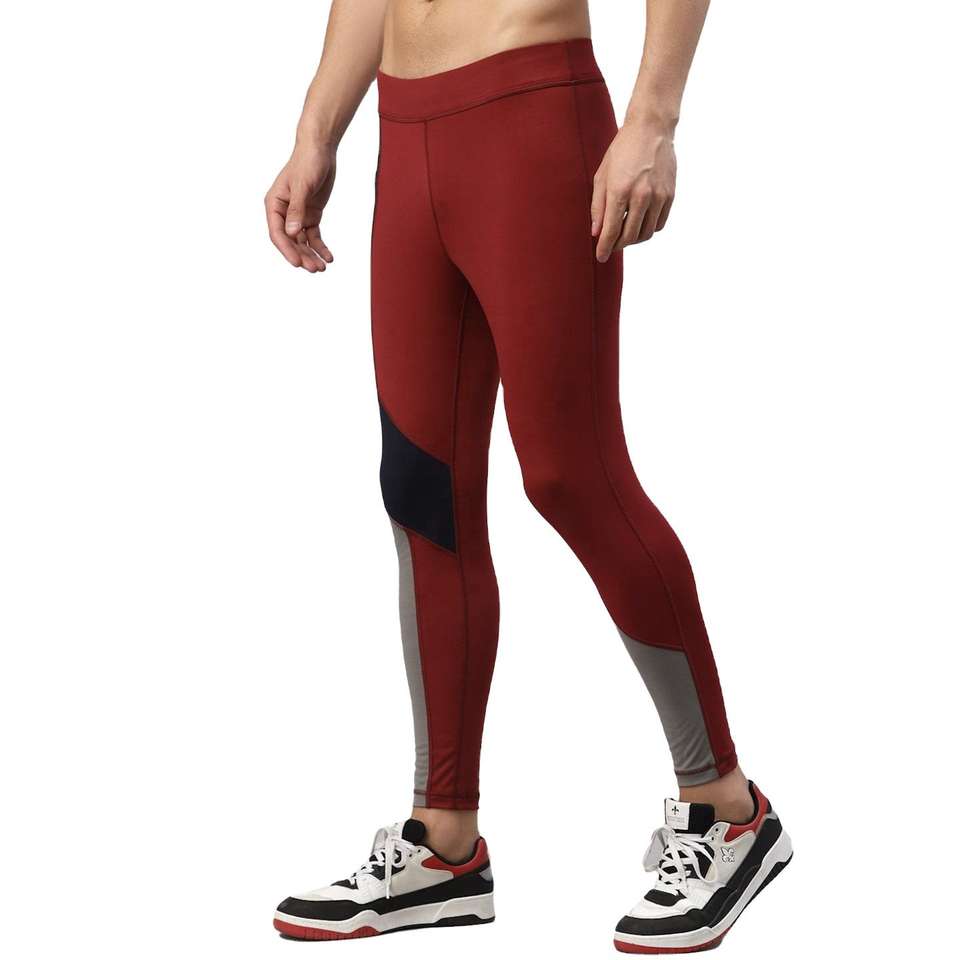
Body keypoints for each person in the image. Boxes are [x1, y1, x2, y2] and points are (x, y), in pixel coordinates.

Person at [266, 1, 791, 951]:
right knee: (421, 490)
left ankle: (729, 809)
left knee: (572, 475)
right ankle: (444, 843)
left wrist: (652, 119)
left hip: (531, 116)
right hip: (407, 133)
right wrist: (315, 131)